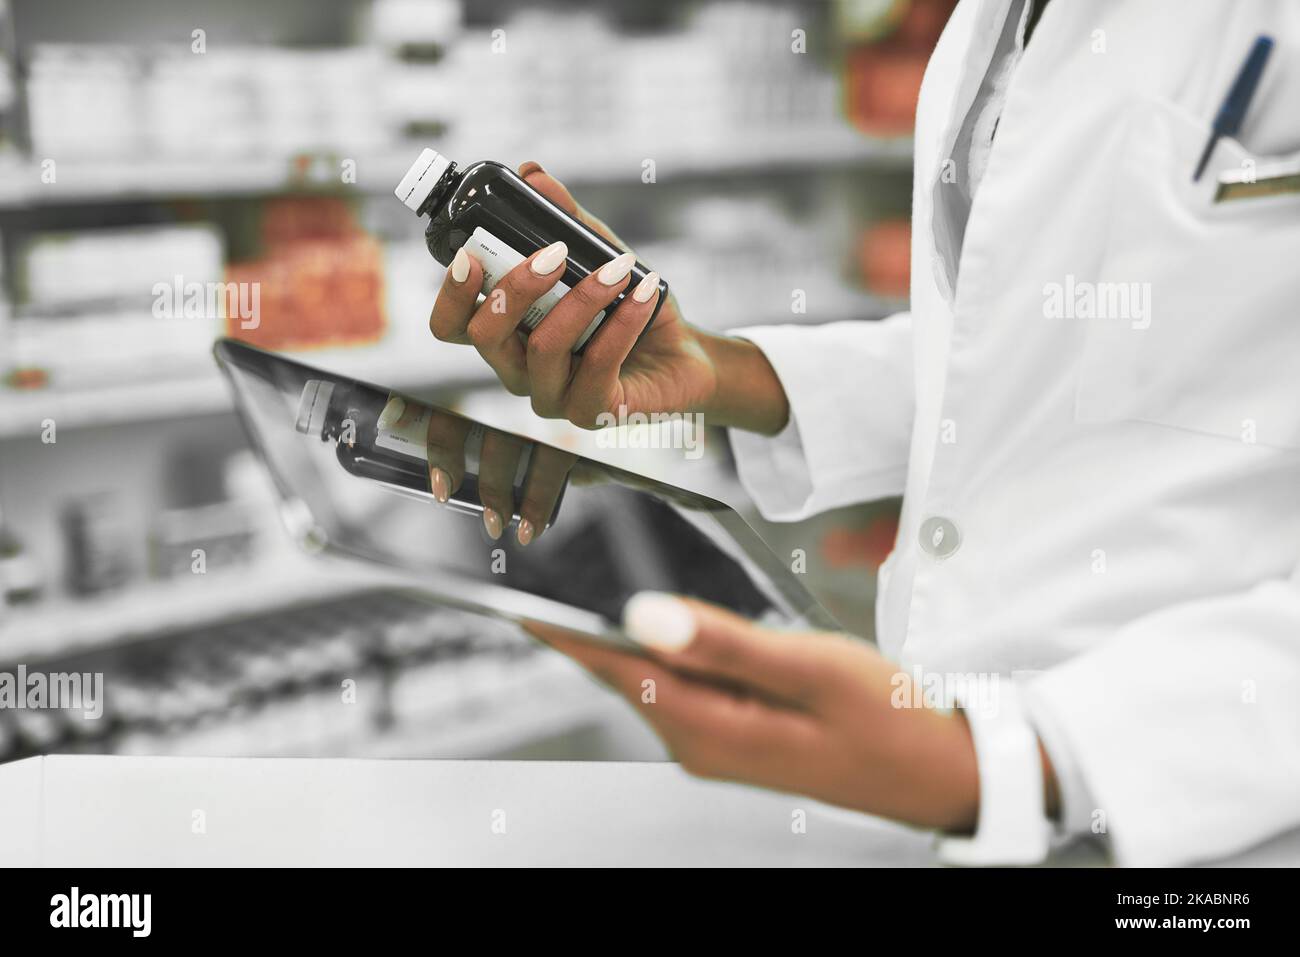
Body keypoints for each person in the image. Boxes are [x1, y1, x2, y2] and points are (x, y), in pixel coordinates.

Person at [422, 0, 1300, 865]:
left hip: (1205, 818)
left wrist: (1010, 759)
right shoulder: (988, 24)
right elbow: (1023, 358)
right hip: (966, 793)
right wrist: (717, 372)